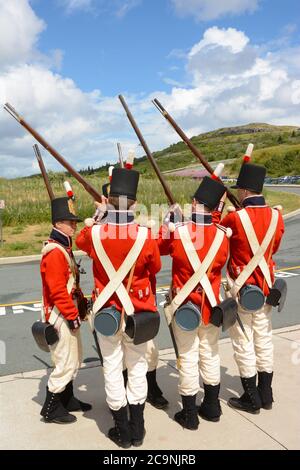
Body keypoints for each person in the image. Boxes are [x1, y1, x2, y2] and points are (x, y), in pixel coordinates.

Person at [76, 167, 161, 448]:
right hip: (138, 311)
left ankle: (122, 431)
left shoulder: (96, 233)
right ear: (134, 203)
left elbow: (80, 241)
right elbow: (155, 267)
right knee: (136, 366)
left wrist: (98, 216)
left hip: (106, 313)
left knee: (112, 367)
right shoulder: (145, 235)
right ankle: (138, 429)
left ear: (108, 200)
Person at [158, 176, 231, 430]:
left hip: (185, 308)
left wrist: (168, 223)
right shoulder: (222, 235)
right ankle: (212, 406)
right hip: (211, 307)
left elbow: (160, 247)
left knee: (188, 358)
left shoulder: (179, 232)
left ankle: (189, 414)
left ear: (194, 203)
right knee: (210, 354)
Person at [221, 161, 284, 413]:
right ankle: (266, 394)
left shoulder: (235, 218)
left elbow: (218, 239)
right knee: (264, 340)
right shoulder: (277, 216)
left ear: (245, 192)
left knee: (243, 342)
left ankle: (251, 398)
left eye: (239, 190)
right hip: (266, 288)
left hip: (242, 289)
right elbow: (274, 248)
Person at [40, 197, 91, 424]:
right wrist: (72, 316)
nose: (74, 226)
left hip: (67, 310)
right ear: (58, 223)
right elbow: (57, 290)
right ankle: (50, 409)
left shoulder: (63, 247)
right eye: (70, 222)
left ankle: (68, 399)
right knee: (64, 362)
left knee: (75, 357)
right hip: (60, 313)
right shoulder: (54, 251)